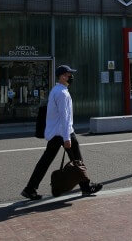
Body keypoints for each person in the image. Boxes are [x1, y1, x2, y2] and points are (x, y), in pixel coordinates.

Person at [21, 64, 103, 200]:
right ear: (62, 76)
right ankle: (86, 187)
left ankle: (30, 189)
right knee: (77, 160)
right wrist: (67, 138)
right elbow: (65, 117)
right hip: (64, 132)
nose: (71, 76)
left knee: (45, 161)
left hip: (55, 133)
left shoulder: (56, 90)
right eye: (69, 74)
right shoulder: (62, 93)